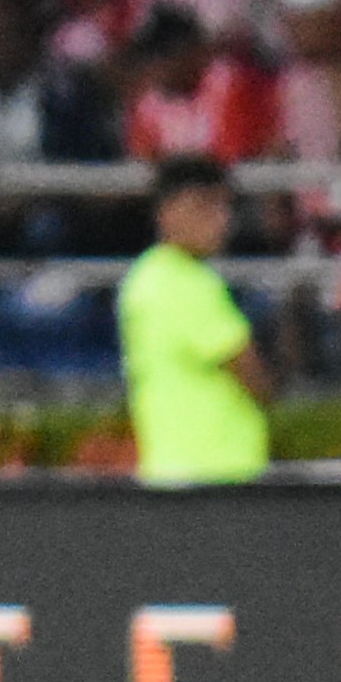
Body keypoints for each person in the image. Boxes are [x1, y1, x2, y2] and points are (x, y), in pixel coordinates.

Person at [119, 153, 272, 485]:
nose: (220, 220)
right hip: (210, 473)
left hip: (176, 469)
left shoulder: (145, 276)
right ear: (168, 213)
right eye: (204, 207)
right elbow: (250, 372)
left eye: (224, 208)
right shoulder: (185, 283)